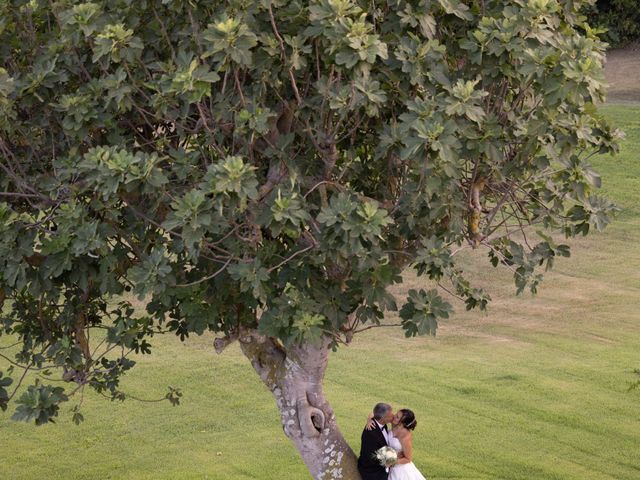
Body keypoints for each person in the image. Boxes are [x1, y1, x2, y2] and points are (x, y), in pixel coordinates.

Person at [365, 408, 427, 480]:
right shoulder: (394, 423)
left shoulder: (405, 437)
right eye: (396, 414)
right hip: (389, 466)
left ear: (402, 423)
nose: (394, 416)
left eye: (397, 417)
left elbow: (408, 458)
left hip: (401, 469)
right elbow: (375, 413)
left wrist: (392, 461)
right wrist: (369, 421)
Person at [358, 402, 394, 480]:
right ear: (383, 418)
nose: (393, 416)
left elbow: (373, 413)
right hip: (372, 471)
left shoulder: (379, 421)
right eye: (390, 415)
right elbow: (370, 456)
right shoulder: (371, 433)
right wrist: (387, 462)